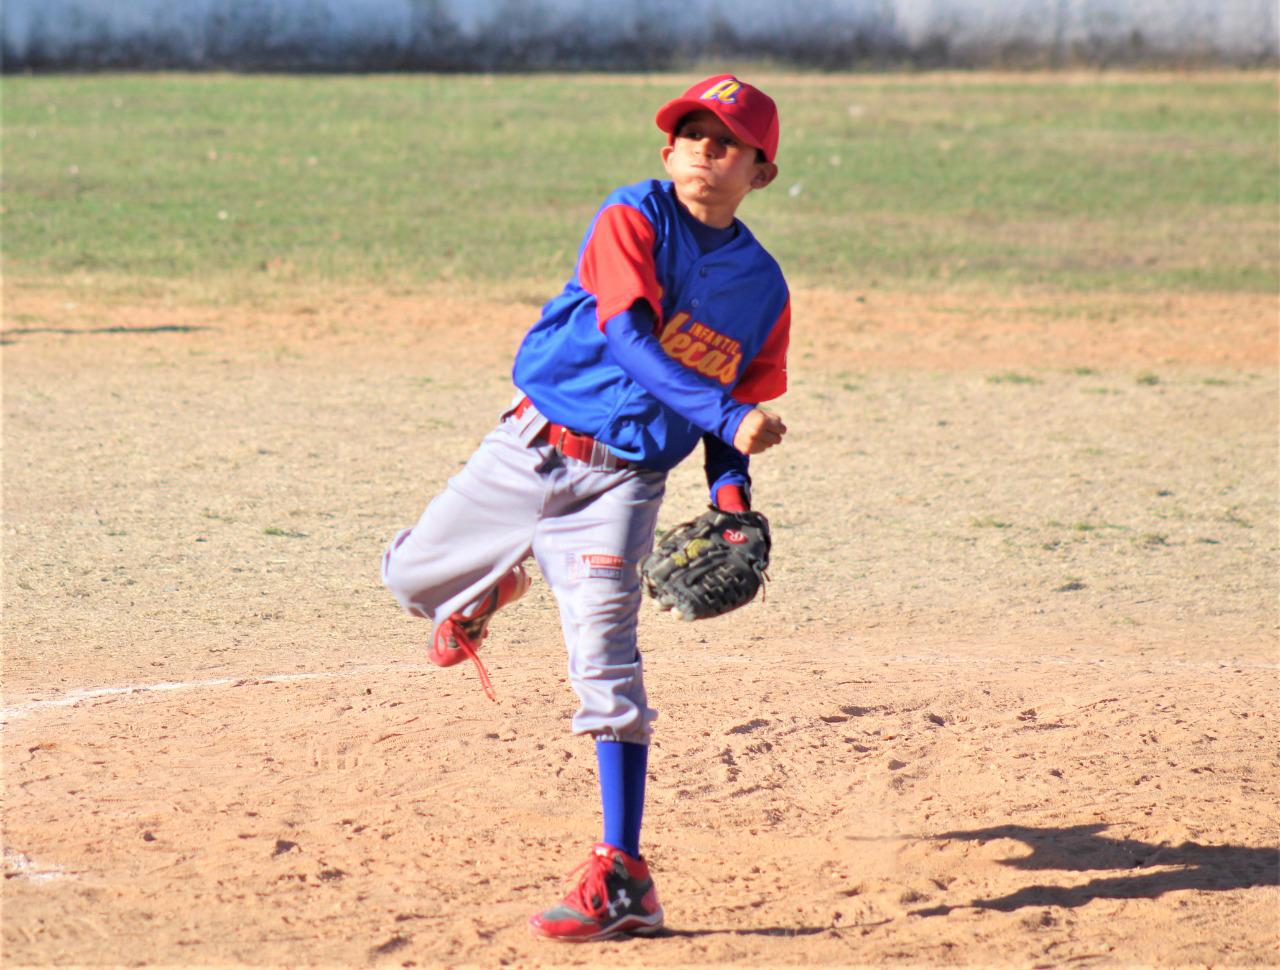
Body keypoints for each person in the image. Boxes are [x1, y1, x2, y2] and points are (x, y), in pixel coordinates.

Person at [381, 73, 791, 942]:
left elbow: (736, 406)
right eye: (693, 134)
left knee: (607, 664)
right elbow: (629, 339)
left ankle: (622, 874)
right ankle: (488, 588)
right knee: (410, 582)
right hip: (529, 448)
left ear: (760, 172)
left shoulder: (762, 290)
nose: (707, 149)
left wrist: (730, 503)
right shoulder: (632, 216)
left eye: (728, 141)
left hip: (623, 486)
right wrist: (728, 417)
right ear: (668, 152)